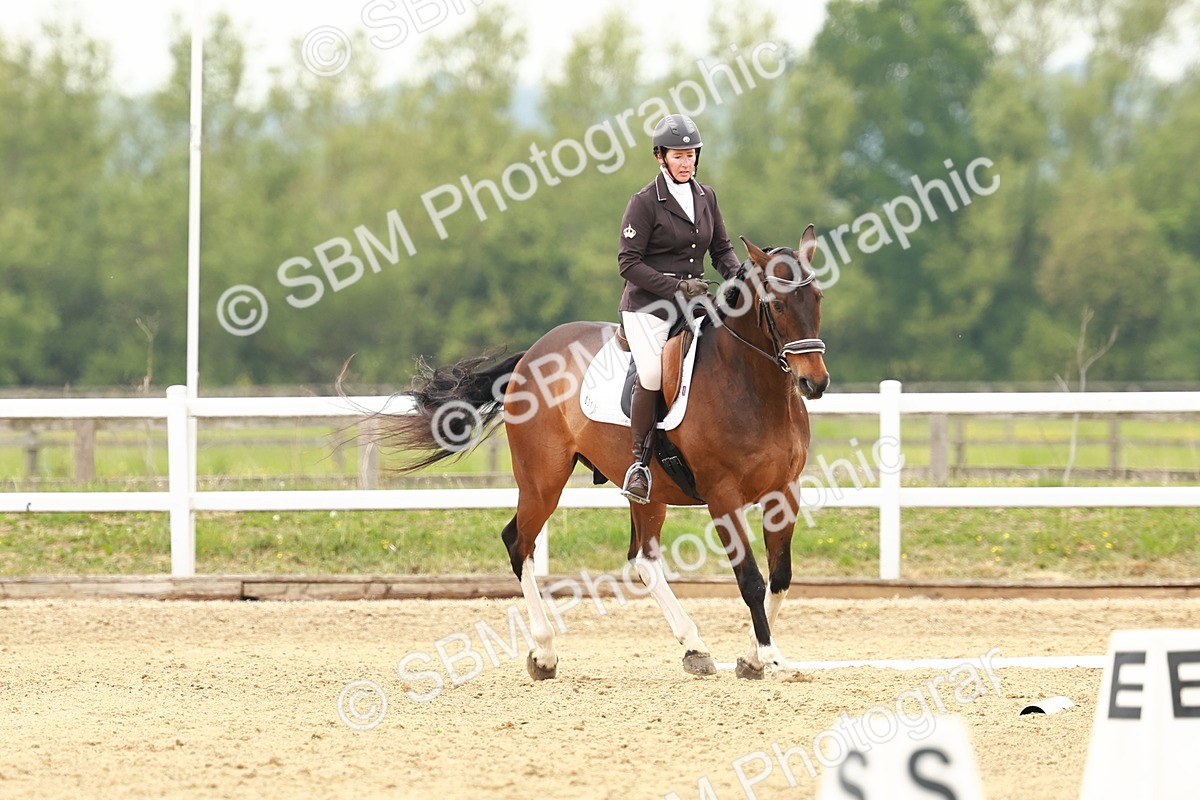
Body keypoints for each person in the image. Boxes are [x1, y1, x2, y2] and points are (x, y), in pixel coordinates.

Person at [616, 113, 742, 503]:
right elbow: (628, 263)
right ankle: (639, 465)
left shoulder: (706, 196)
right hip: (648, 307)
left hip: (695, 303)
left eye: (690, 155)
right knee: (653, 373)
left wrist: (741, 278)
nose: (686, 163)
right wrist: (675, 287)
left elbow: (721, 250)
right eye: (678, 156)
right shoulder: (644, 202)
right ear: (661, 157)